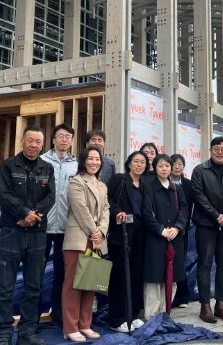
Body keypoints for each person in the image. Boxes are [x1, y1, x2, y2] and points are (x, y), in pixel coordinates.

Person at [0, 125, 55, 345]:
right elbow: (4, 194)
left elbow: (50, 197)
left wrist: (33, 215)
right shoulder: (8, 166)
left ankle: (27, 331)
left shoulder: (47, 168)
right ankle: (4, 332)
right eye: (30, 140)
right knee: (5, 284)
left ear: (42, 144)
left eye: (38, 142)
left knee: (33, 285)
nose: (34, 145)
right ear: (23, 141)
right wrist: (24, 213)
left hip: (37, 234)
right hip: (12, 231)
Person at [191, 137, 223, 323]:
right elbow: (198, 195)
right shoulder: (200, 170)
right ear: (210, 150)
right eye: (216, 149)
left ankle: (220, 304)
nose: (220, 152)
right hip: (206, 225)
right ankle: (205, 306)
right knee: (205, 264)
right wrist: (216, 215)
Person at [61, 146, 109, 342]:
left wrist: (101, 231)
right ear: (83, 161)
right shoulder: (76, 181)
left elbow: (106, 210)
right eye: (90, 158)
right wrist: (94, 232)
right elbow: (80, 209)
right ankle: (70, 327)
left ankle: (85, 325)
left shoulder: (102, 185)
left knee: (90, 283)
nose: (94, 162)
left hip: (96, 241)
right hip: (78, 239)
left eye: (97, 159)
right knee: (73, 284)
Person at [142, 154, 189, 317]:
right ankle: (152, 316)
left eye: (167, 166)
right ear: (155, 168)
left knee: (172, 277)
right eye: (160, 166)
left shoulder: (177, 189)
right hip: (155, 239)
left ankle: (164, 314)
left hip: (175, 239)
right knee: (154, 279)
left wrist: (177, 227)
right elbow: (146, 213)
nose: (164, 169)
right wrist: (162, 230)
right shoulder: (148, 187)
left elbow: (184, 210)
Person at [106, 151, 149, 332]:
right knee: (120, 275)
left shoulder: (145, 184)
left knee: (136, 274)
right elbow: (106, 199)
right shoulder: (119, 179)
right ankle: (117, 318)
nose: (139, 165)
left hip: (140, 232)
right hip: (121, 231)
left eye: (143, 162)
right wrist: (117, 212)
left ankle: (133, 314)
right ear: (129, 163)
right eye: (136, 161)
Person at [41, 123, 78, 324]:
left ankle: (58, 312)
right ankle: (33, 315)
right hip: (42, 226)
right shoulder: (42, 161)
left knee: (62, 272)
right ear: (53, 139)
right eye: (61, 136)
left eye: (68, 137)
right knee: (36, 271)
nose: (64, 139)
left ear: (72, 141)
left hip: (66, 227)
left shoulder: (76, 165)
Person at [169, 153, 193, 309]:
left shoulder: (188, 184)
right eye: (174, 163)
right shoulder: (163, 182)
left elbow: (189, 205)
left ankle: (182, 296)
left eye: (180, 164)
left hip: (182, 228)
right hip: (165, 227)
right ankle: (168, 297)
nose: (177, 167)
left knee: (180, 261)